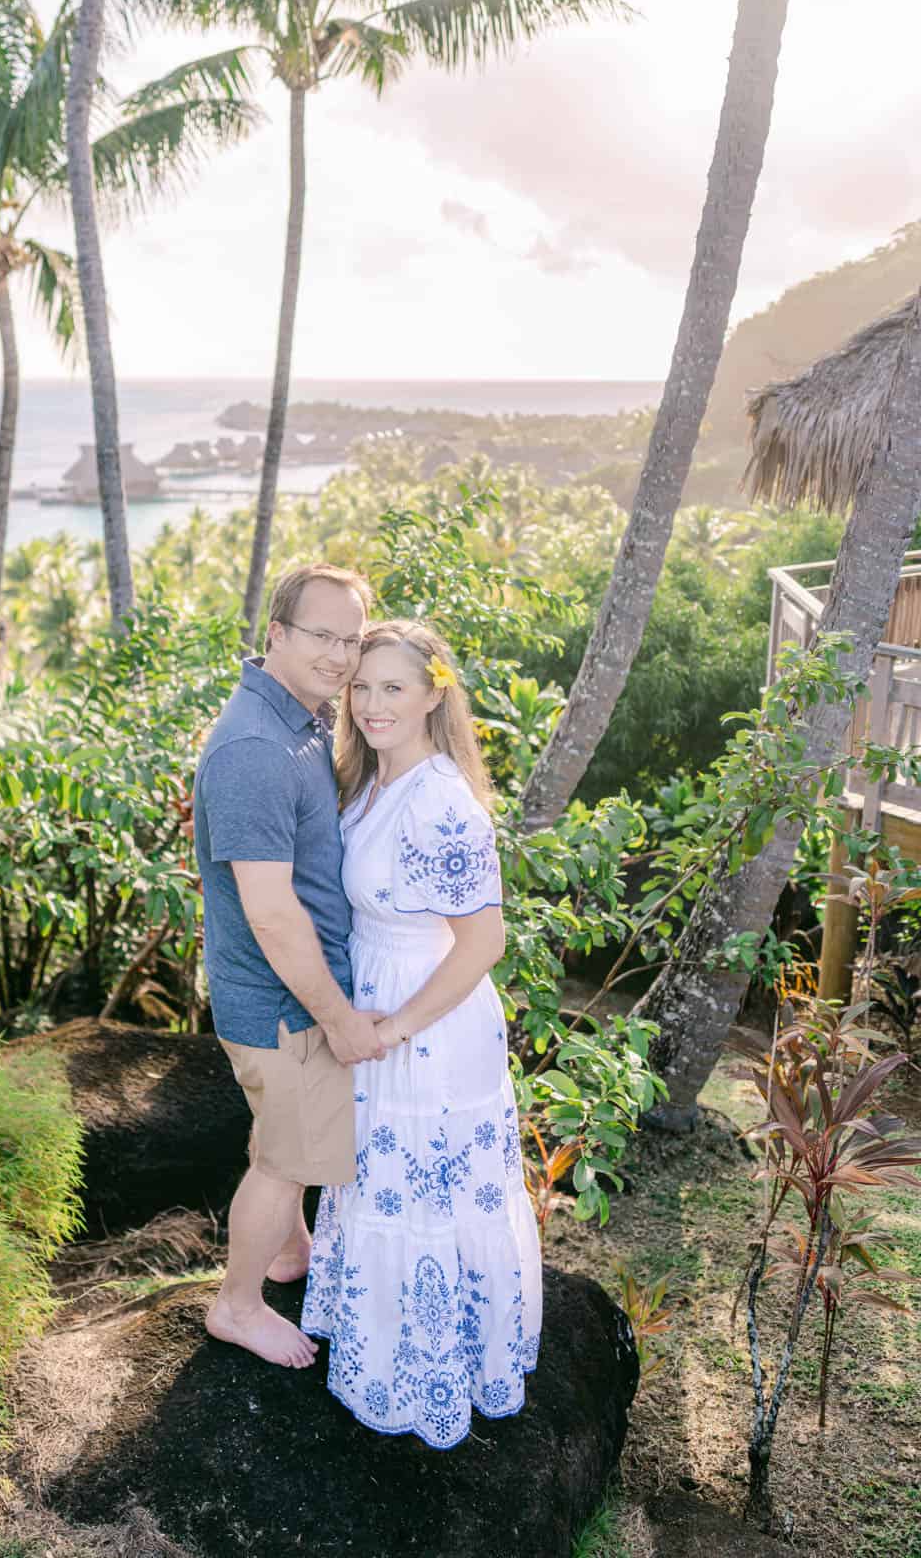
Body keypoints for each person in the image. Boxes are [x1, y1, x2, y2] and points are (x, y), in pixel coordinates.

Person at [301, 620, 543, 1447]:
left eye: (393, 687)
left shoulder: (443, 801)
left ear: (435, 693)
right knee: (377, 1185)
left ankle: (434, 1365)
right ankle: (379, 1346)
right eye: (361, 687)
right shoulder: (368, 780)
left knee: (426, 1198)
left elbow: (484, 941)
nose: (370, 704)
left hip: (426, 1024)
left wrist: (394, 1028)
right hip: (373, 1001)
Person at [194, 562, 386, 1369]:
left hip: (283, 996)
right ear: (276, 634)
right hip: (283, 1002)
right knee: (287, 1157)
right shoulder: (254, 748)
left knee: (283, 1134)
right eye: (322, 636)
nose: (341, 657)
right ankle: (236, 1305)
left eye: (352, 638)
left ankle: (287, 1252)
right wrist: (337, 1017)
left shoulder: (300, 719)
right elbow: (271, 913)